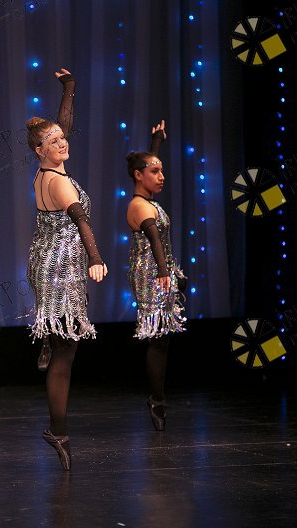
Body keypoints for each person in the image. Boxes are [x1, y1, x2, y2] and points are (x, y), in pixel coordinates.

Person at [26, 68, 107, 470]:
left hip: (48, 263)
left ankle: (48, 338)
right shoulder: (59, 183)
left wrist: (69, 89)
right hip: (59, 269)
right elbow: (81, 220)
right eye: (53, 141)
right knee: (66, 352)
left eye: (62, 138)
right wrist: (95, 257)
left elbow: (63, 126)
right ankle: (57, 430)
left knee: (63, 342)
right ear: (39, 151)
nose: (62, 142)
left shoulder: (48, 171)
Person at [125, 120, 187, 431]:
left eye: (162, 171)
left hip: (163, 272)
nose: (161, 176)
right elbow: (153, 239)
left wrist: (156, 143)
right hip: (151, 275)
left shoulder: (149, 200)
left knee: (163, 338)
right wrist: (164, 272)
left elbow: (147, 164)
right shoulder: (139, 206)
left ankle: (158, 398)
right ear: (138, 175)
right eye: (155, 172)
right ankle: (157, 400)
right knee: (157, 337)